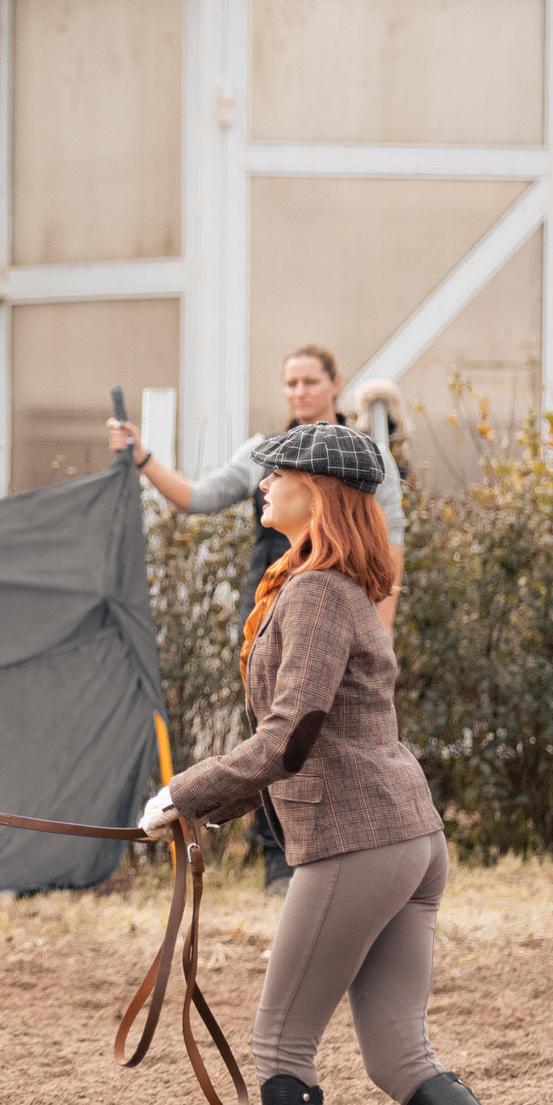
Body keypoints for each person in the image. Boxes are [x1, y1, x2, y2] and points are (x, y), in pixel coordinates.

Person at [137, 423, 553, 1105]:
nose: (262, 484)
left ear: (319, 492)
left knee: (280, 1044)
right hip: (406, 837)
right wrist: (200, 806)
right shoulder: (327, 588)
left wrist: (185, 790)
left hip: (357, 840)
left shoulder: (317, 592)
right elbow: (305, 738)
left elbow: (290, 734)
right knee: (398, 1052)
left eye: (277, 473)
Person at [109, 347, 404, 895]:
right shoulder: (265, 453)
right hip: (272, 614)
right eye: (290, 382)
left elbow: (392, 543)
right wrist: (141, 457)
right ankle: (281, 864)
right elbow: (198, 498)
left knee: (307, 735)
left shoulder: (360, 465)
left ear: (335, 384)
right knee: (278, 731)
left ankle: (326, 855)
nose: (298, 392)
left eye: (309, 381)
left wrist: (182, 795)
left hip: (324, 626)